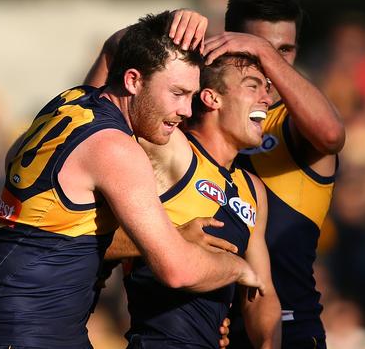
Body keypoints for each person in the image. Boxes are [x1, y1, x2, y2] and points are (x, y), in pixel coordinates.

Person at [0, 11, 263, 349]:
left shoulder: (70, 101)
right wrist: (238, 268)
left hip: (5, 328)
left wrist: (167, 23)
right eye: (177, 93)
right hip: (27, 334)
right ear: (132, 80)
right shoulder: (115, 148)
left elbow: (23, 174)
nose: (187, 110)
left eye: (191, 95)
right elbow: (178, 270)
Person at [87, 46, 281, 347]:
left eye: (267, 88)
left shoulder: (252, 189)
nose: (267, 98)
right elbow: (97, 115)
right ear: (211, 97)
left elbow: (261, 291)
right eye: (253, 86)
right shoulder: (173, 149)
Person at [203, 0, 346, 348]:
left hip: (288, 327)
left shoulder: (292, 123)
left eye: (285, 51)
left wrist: (263, 52)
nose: (271, 63)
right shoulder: (199, 111)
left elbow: (331, 135)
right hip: (204, 326)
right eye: (257, 47)